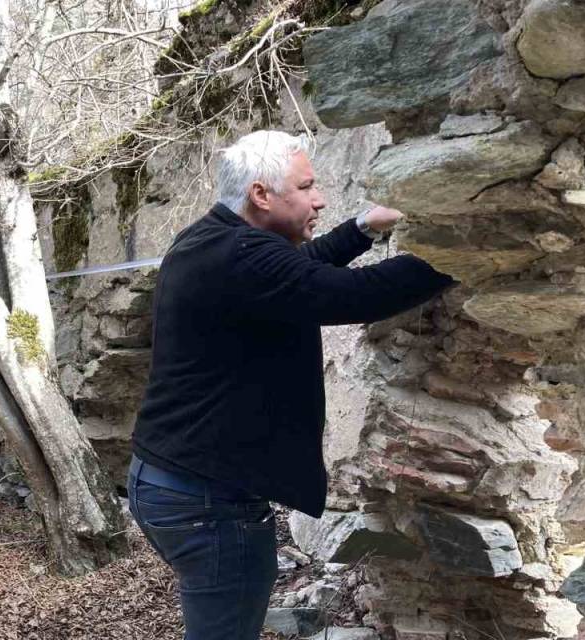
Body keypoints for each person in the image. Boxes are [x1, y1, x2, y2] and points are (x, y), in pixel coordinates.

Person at [128, 130, 455, 639]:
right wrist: (462, 250)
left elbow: (295, 270)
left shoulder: (212, 238)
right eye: (306, 187)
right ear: (261, 194)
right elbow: (355, 295)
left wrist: (361, 228)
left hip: (175, 482)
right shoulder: (243, 256)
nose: (319, 198)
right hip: (208, 503)